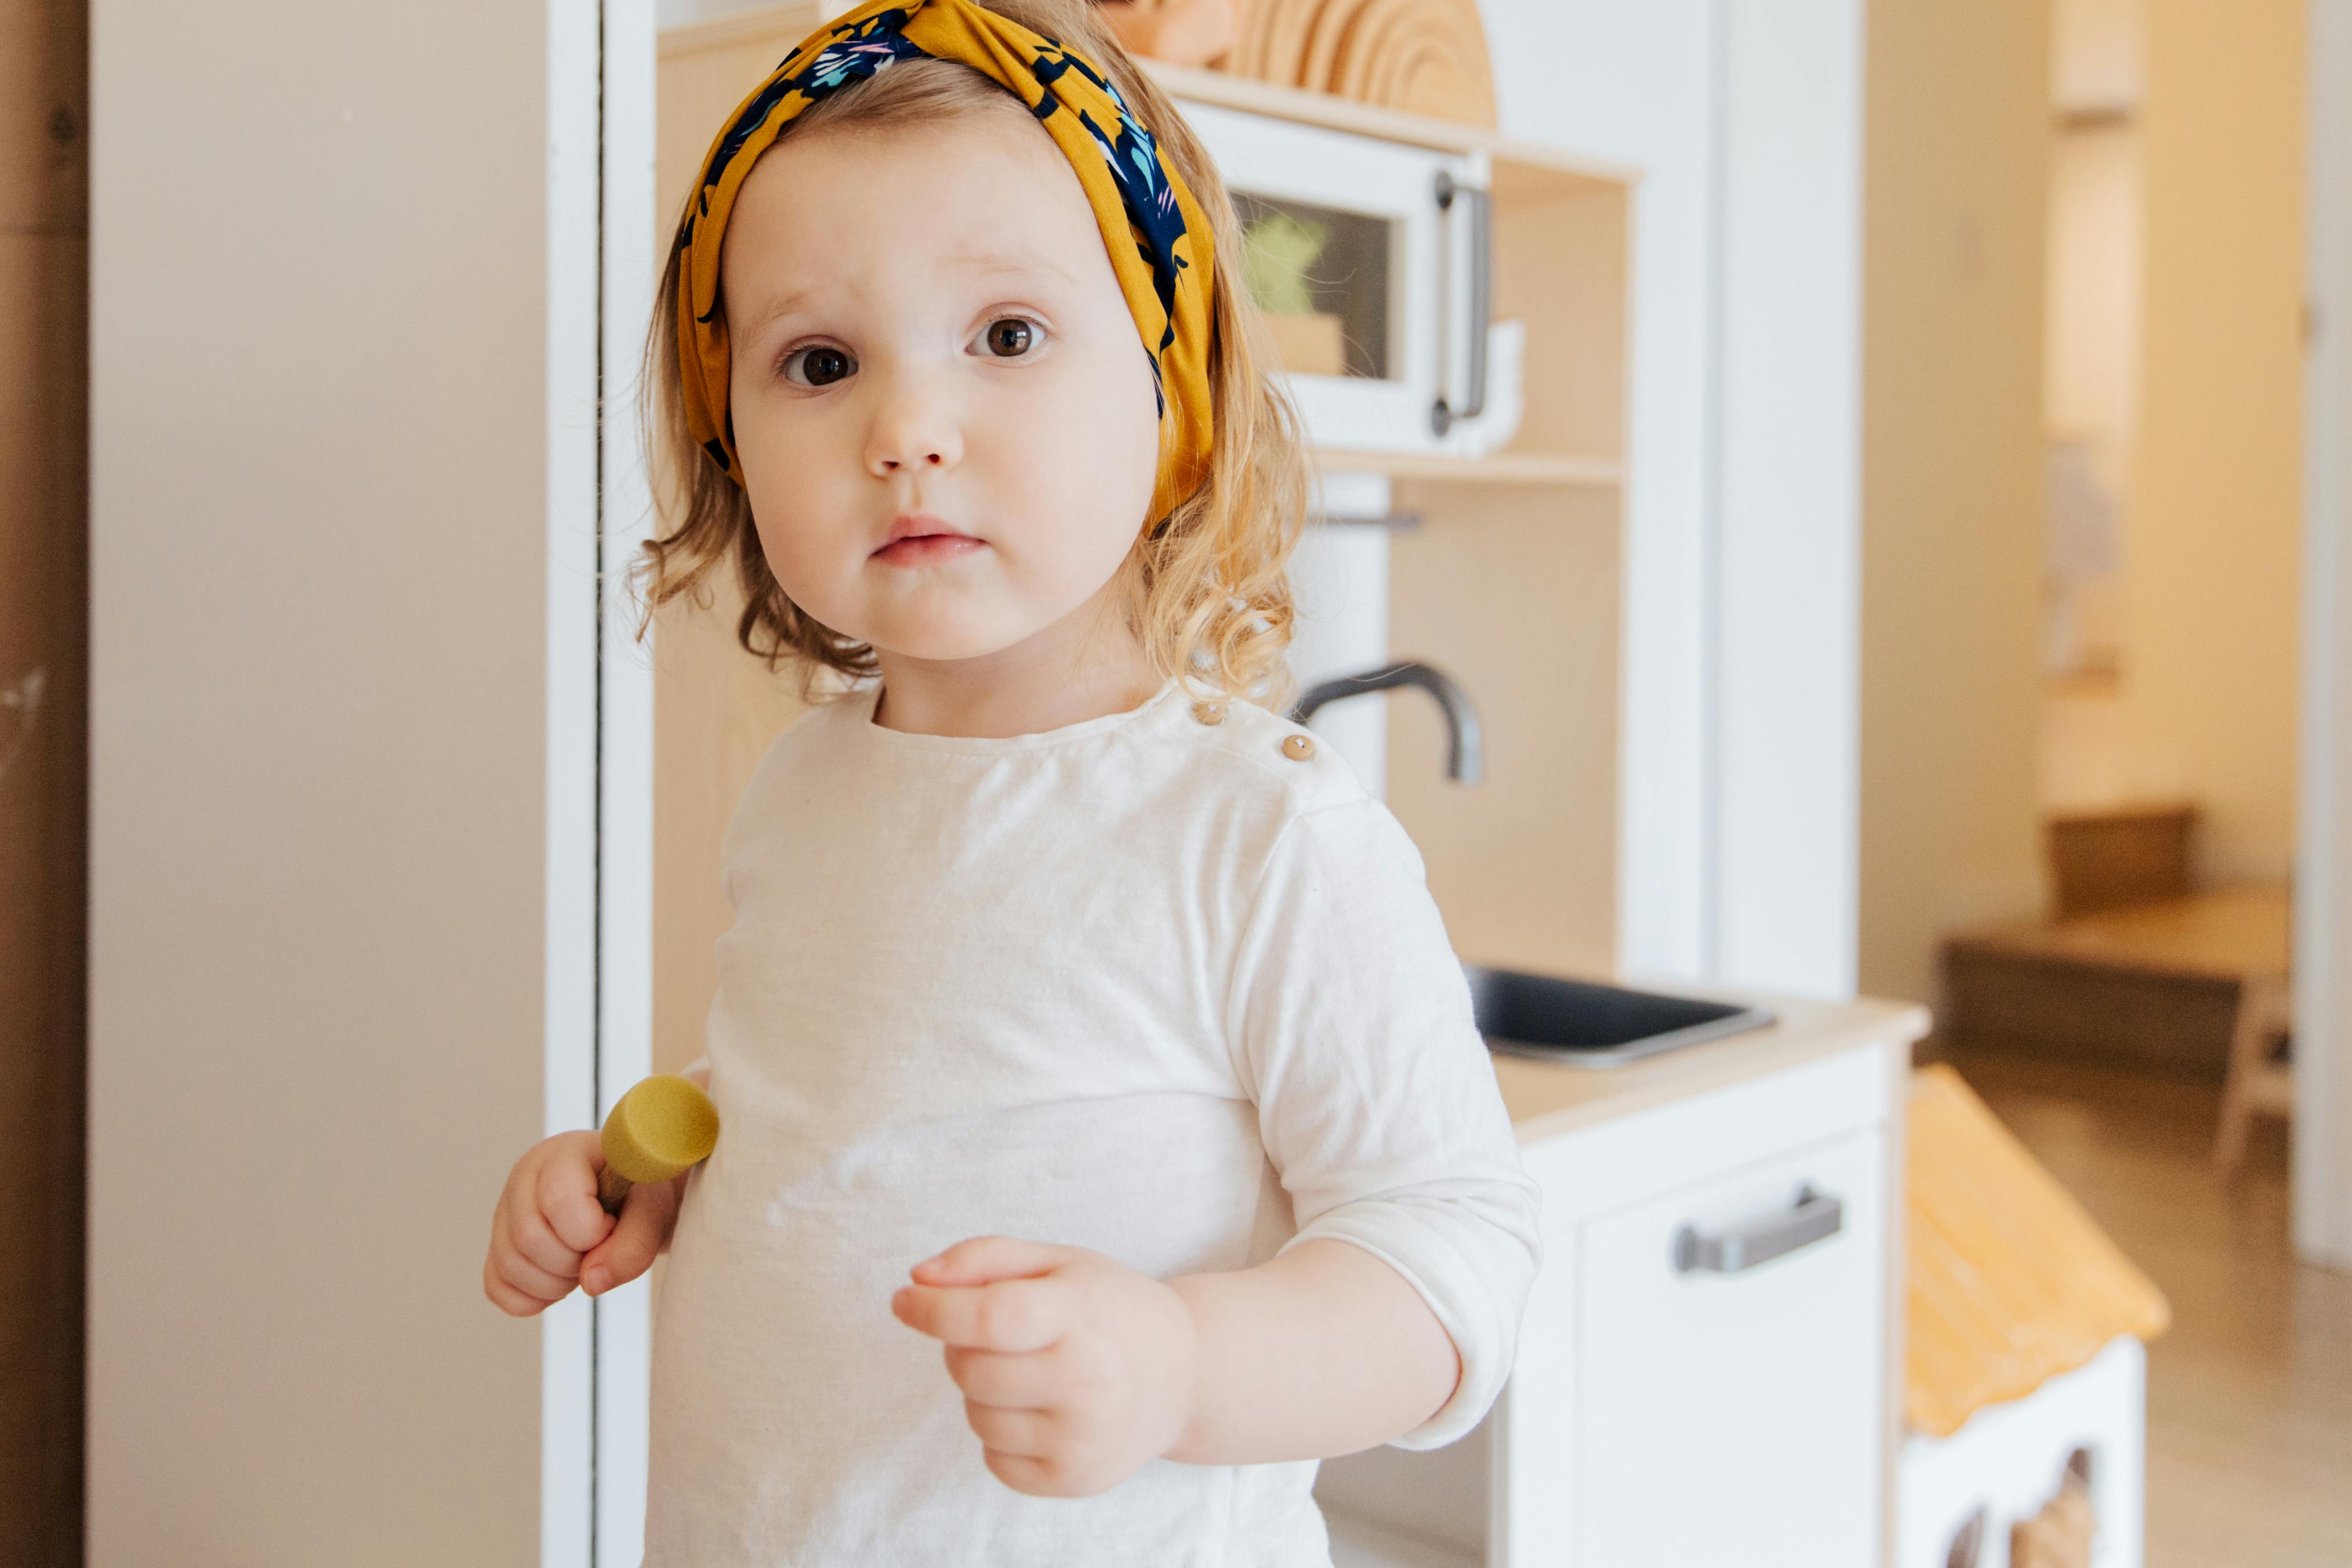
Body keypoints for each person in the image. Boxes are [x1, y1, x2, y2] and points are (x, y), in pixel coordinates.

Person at [483, 0, 1541, 1559]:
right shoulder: (803, 789)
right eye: (820, 360)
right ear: (729, 448)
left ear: (1173, 397)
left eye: (1007, 336)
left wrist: (1183, 1365)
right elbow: (865, 1101)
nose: (908, 429)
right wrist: (661, 1158)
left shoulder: (1262, 834)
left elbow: (1457, 1256)